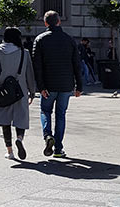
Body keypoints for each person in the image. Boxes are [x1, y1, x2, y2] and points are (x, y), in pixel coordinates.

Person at [32, 11, 82, 158]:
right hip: (66, 85)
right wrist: (79, 86)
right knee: (61, 115)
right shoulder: (69, 40)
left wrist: (40, 87)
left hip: (48, 85)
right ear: (59, 22)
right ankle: (58, 149)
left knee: (45, 111)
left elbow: (37, 66)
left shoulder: (40, 40)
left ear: (45, 23)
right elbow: (76, 65)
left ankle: (48, 136)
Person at [0, 28, 36, 160]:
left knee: (5, 120)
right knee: (21, 117)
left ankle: (10, 151)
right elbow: (29, 73)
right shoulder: (24, 53)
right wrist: (32, 91)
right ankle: (19, 138)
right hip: (21, 90)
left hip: (4, 90)